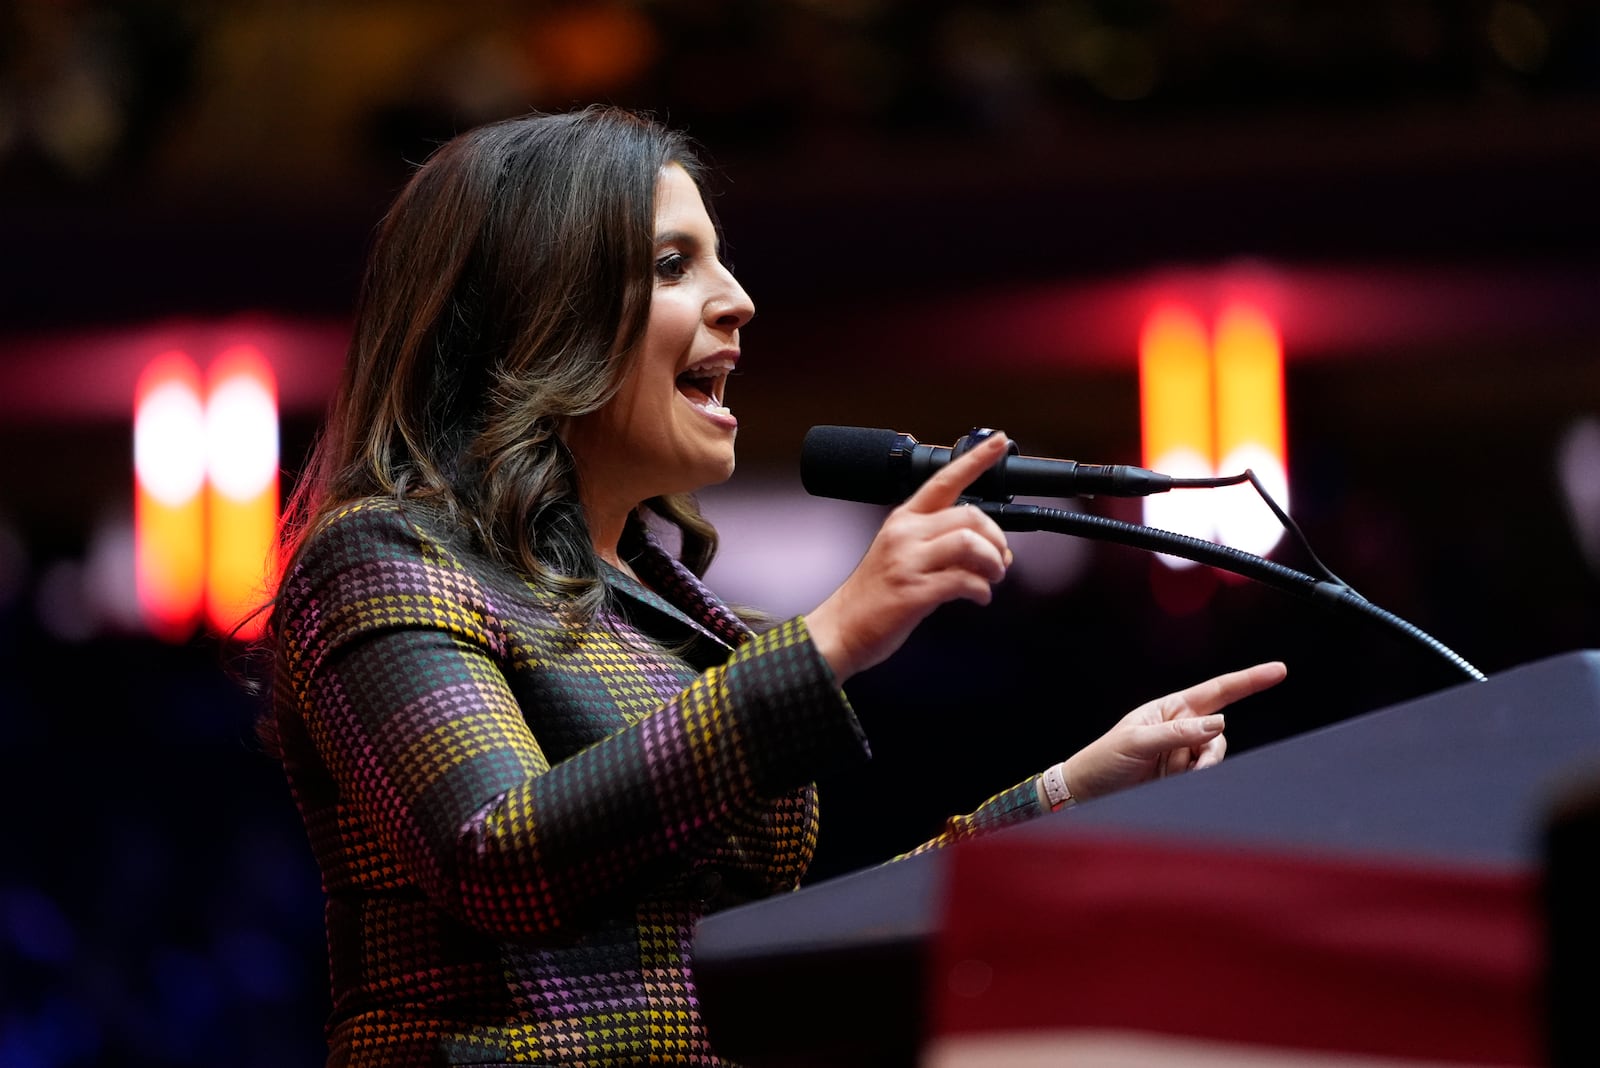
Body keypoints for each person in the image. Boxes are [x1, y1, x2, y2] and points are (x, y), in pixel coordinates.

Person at [264, 105, 1286, 1067]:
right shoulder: (381, 558)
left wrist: (1067, 798)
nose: (738, 300)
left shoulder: (684, 618)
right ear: (538, 311)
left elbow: (781, 946)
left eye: (719, 259)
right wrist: (827, 639)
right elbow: (501, 859)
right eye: (673, 265)